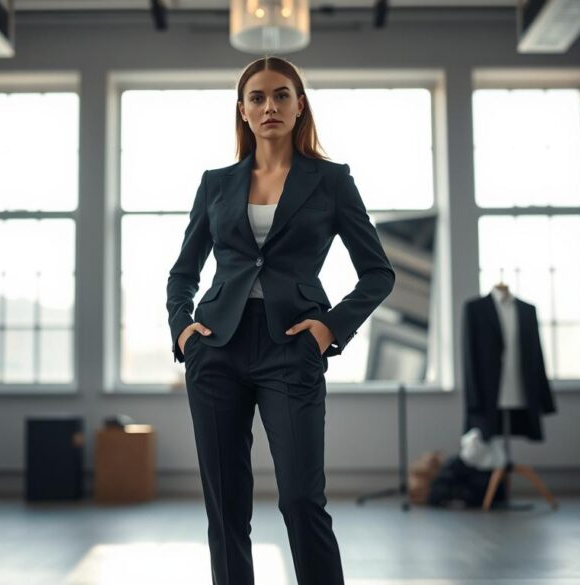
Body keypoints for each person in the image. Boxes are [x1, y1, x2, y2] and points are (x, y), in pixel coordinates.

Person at [166, 55, 396, 585]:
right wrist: (183, 328)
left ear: (299, 105)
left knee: (299, 498)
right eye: (257, 97)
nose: (269, 106)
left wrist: (329, 328)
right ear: (242, 111)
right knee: (225, 506)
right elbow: (183, 272)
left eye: (281, 95)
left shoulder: (332, 181)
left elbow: (377, 274)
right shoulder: (215, 183)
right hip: (216, 348)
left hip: (293, 346)